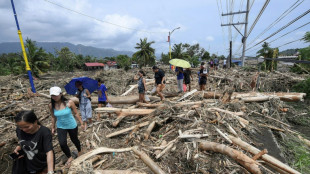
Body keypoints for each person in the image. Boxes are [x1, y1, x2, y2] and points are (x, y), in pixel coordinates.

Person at [49, 86, 84, 168]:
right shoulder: (51, 105)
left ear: (61, 94)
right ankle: (69, 157)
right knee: (62, 143)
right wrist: (53, 127)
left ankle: (79, 151)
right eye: (52, 95)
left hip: (71, 125)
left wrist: (81, 123)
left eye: (56, 95)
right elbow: (53, 117)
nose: (54, 97)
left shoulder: (69, 102)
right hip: (61, 126)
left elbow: (76, 113)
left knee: (74, 139)